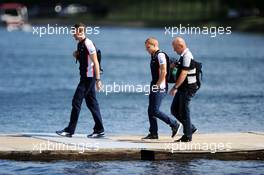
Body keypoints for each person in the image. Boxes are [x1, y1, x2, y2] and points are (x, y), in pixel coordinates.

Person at [56, 23, 104, 138]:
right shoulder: (80, 44)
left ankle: (69, 130)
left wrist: (98, 80)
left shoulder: (88, 43)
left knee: (76, 102)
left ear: (79, 32)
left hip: (89, 78)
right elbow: (85, 59)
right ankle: (99, 129)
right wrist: (76, 55)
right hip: (85, 77)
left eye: (74, 32)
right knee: (92, 103)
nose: (73, 34)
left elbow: (96, 62)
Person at [142, 37, 181, 140]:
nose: (147, 49)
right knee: (150, 110)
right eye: (146, 48)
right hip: (155, 85)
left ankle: (174, 124)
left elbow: (164, 71)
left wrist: (158, 85)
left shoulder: (160, 55)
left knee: (154, 110)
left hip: (160, 86)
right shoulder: (153, 55)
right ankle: (153, 133)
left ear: (155, 45)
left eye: (148, 47)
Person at [169, 37, 198, 142]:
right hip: (182, 87)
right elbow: (179, 71)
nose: (174, 50)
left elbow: (184, 73)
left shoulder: (187, 56)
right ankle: (190, 128)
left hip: (188, 88)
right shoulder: (182, 57)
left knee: (184, 111)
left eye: (175, 48)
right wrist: (173, 67)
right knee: (174, 110)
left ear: (180, 46)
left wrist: (175, 87)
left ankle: (187, 136)